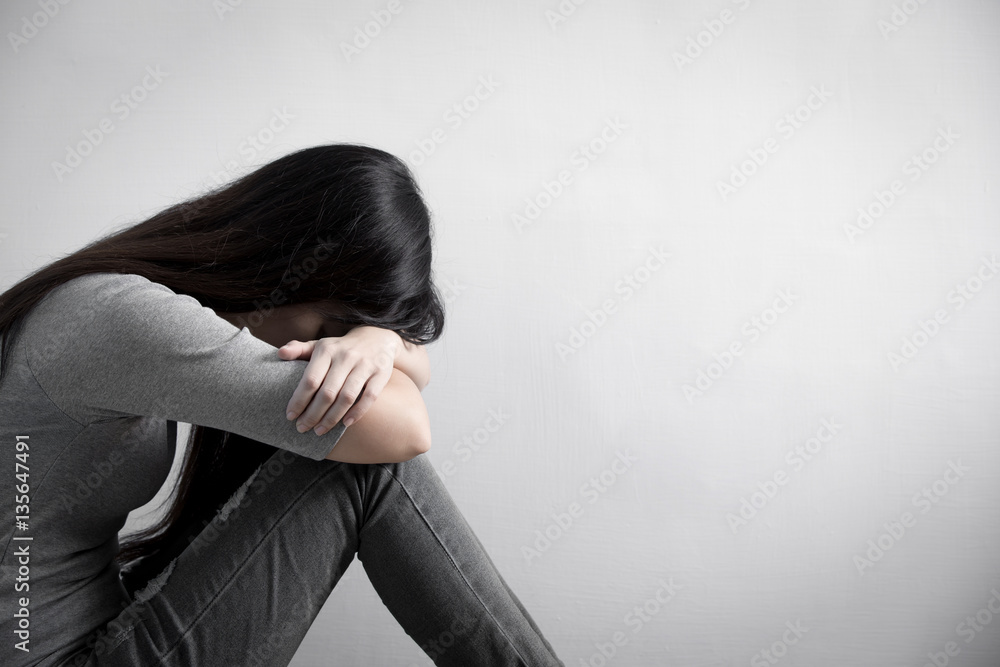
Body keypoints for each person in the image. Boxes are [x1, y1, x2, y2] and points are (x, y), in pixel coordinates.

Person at [0, 144, 565, 666]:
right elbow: (405, 431)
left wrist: (380, 341)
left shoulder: (106, 301)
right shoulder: (125, 319)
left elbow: (408, 376)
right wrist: (375, 346)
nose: (332, 354)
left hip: (95, 633)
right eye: (331, 328)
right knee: (358, 464)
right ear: (286, 263)